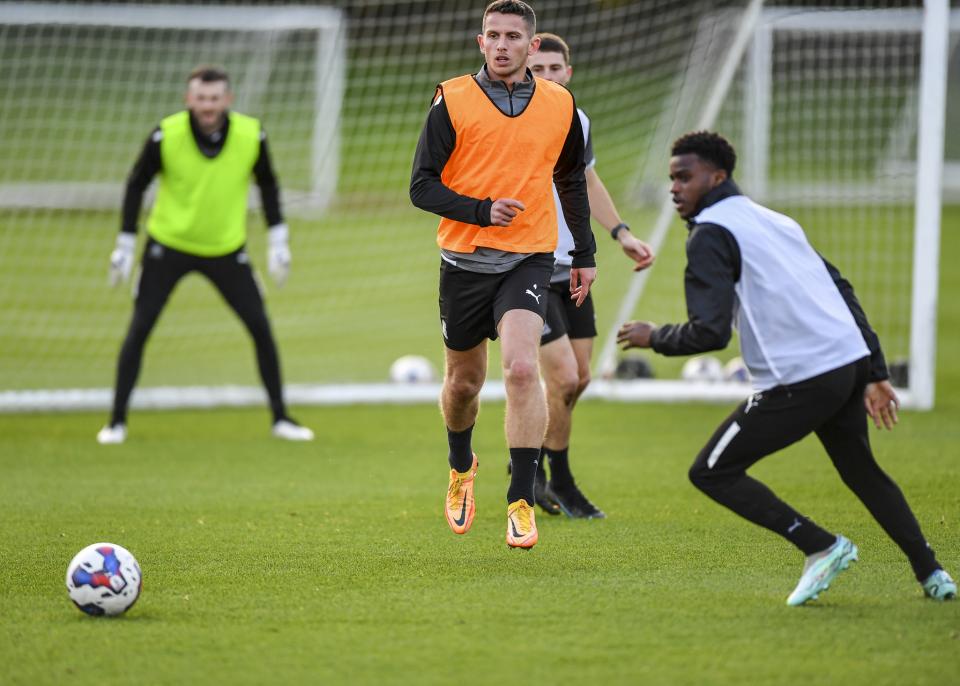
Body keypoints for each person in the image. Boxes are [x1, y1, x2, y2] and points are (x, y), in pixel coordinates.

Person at [616, 131, 956, 605]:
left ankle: (821, 546)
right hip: (845, 363)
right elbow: (842, 288)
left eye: (685, 177)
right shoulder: (772, 219)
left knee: (711, 471)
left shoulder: (711, 233)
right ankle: (932, 573)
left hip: (803, 377)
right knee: (862, 472)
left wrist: (655, 337)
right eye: (672, 178)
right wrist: (874, 370)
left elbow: (709, 333)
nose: (675, 188)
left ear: (717, 177)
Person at [410, 1, 597, 548]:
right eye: (492, 35)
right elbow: (421, 186)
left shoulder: (560, 104)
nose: (501, 45)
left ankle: (520, 499)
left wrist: (584, 253)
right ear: (480, 41)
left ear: (531, 46)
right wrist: (481, 208)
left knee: (520, 369)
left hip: (529, 256)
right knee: (464, 383)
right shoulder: (452, 99)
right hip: (464, 260)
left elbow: (571, 181)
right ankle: (461, 467)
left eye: (513, 36)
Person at [97, 66, 314, 445]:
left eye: (215, 98)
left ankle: (281, 418)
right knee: (140, 327)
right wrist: (126, 245)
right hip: (168, 246)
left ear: (227, 100)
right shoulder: (166, 134)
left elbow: (268, 185)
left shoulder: (251, 134)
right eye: (200, 98)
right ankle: (116, 422)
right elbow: (135, 185)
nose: (207, 106)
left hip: (226, 250)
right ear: (188, 99)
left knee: (260, 327)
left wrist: (279, 241)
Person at [520, 33, 654, 519]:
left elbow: (587, 180)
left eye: (555, 69)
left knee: (579, 381)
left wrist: (621, 232)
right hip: (525, 265)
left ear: (568, 74)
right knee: (563, 375)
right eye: (538, 70)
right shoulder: (509, 120)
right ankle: (551, 478)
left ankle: (542, 470)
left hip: (572, 265)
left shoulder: (576, 120)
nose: (547, 77)